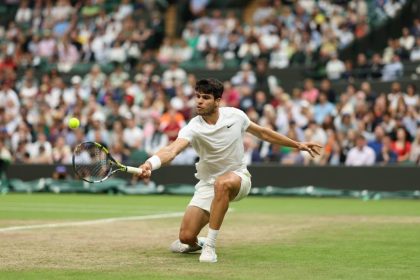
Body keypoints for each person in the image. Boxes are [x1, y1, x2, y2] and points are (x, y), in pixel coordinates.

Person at [137, 79, 322, 263]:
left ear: (217, 101)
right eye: (198, 97)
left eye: (206, 97)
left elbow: (263, 133)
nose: (199, 101)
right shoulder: (193, 127)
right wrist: (150, 164)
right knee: (186, 237)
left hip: (239, 178)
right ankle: (197, 244)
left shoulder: (236, 116)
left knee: (222, 183)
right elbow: (172, 150)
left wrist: (297, 144)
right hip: (208, 184)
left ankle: (210, 246)